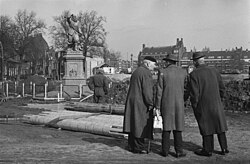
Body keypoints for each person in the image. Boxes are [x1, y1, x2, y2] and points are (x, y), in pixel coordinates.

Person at [188, 52, 229, 157]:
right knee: (220, 126)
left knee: (206, 127)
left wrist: (195, 105)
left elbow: (194, 94)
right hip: (216, 104)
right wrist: (220, 100)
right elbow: (222, 88)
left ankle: (208, 150)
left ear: (195, 62)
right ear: (203, 60)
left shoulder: (194, 74)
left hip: (203, 105)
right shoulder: (214, 71)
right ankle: (224, 148)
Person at [155, 54, 188, 158]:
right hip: (179, 103)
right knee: (178, 126)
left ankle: (165, 150)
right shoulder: (183, 72)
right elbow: (187, 88)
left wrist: (157, 106)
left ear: (168, 62)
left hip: (166, 103)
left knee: (166, 127)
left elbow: (159, 91)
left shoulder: (163, 72)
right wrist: (184, 100)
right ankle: (179, 151)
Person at [123, 56, 157, 154]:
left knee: (133, 123)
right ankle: (139, 147)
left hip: (133, 101)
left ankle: (131, 145)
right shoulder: (146, 73)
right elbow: (147, 91)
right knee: (140, 124)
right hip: (140, 103)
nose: (155, 67)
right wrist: (151, 103)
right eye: (154, 64)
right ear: (147, 64)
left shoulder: (137, 71)